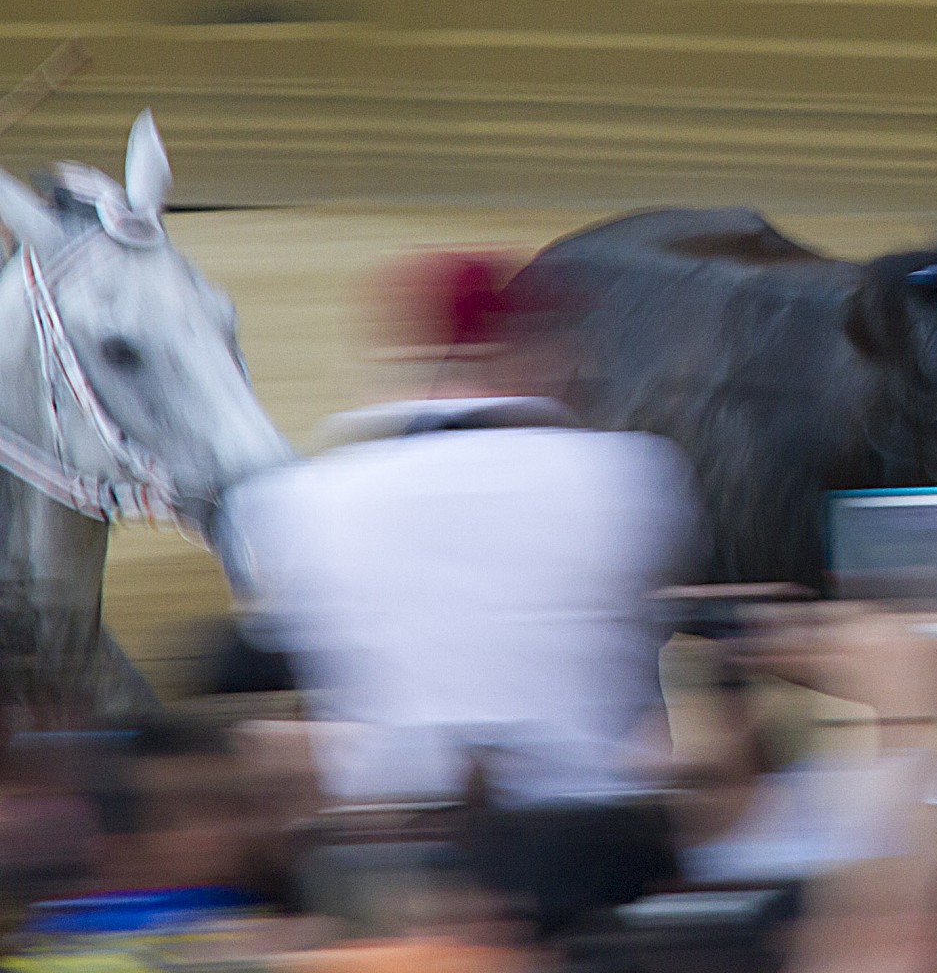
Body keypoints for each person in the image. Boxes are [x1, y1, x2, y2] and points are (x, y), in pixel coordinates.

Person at [221, 253, 701, 935]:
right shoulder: (635, 473)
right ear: (532, 348)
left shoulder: (288, 501)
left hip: (391, 872)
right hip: (594, 858)